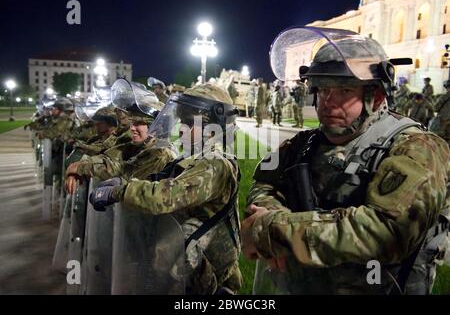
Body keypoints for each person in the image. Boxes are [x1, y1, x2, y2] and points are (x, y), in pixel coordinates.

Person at [241, 26, 450, 295]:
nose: (328, 102)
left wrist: (276, 231)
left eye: (343, 91)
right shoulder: (303, 144)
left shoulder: (418, 149)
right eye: (322, 90)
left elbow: (385, 231)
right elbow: (264, 183)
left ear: (375, 96)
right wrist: (269, 210)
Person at [90, 84, 243, 295]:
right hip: (183, 273)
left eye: (189, 122)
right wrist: (124, 183)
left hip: (209, 285)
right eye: (182, 120)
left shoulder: (217, 163)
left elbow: (167, 196)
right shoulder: (192, 158)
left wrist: (121, 191)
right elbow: (158, 182)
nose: (180, 127)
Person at [65, 79, 176, 194]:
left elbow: (124, 171)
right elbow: (111, 157)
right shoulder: (139, 145)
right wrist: (79, 167)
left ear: (155, 127)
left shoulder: (160, 153)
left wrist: (81, 167)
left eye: (138, 123)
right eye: (132, 122)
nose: (132, 128)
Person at [430, 79, 450, 146]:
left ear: (448, 87)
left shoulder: (445, 96)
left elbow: (436, 108)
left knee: (438, 138)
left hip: (443, 120)